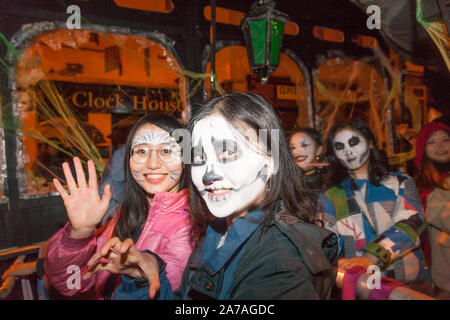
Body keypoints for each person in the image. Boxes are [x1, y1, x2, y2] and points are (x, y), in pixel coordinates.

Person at [87, 92, 338, 300]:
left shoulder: (278, 264)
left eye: (228, 153)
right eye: (199, 157)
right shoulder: (217, 231)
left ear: (270, 161)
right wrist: (144, 276)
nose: (209, 173)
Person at [44, 113, 195, 299]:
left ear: (186, 158)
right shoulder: (126, 213)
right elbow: (71, 284)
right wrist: (79, 234)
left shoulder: (189, 228)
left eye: (166, 151)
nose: (153, 163)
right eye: (141, 151)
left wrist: (140, 277)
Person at [319, 119, 430, 287]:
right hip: (361, 286)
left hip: (408, 284)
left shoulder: (400, 183)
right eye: (339, 147)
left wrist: (370, 257)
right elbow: (327, 241)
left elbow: (412, 224)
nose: (348, 151)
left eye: (354, 142)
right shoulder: (331, 195)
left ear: (370, 143)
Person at [414, 121, 450, 298]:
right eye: (432, 142)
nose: (441, 146)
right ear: (423, 148)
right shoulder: (424, 189)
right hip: (442, 275)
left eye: (445, 139)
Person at [289, 127, 328, 192]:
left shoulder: (328, 180)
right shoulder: (288, 180)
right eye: (293, 148)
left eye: (304, 145)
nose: (296, 152)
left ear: (318, 150)